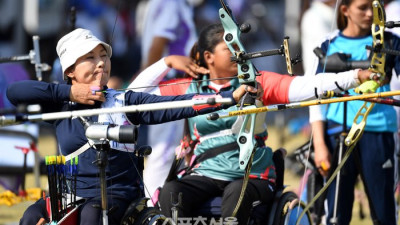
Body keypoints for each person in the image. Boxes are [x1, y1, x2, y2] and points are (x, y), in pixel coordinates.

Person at [129, 23, 376, 225]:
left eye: (240, 46)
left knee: (238, 193)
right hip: (204, 173)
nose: (240, 53)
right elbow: (132, 96)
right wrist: (167, 62)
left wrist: (355, 76)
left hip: (253, 174)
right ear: (208, 57)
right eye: (230, 48)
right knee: (172, 192)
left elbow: (309, 86)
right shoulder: (190, 87)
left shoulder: (259, 82)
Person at [10, 28, 254, 225]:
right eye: (90, 57)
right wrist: (71, 92)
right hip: (70, 195)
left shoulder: (124, 101)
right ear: (70, 70)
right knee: (32, 216)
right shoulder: (61, 105)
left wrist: (229, 98)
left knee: (92, 215)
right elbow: (15, 92)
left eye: (103, 56)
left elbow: (177, 104)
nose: (101, 63)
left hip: (117, 196)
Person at [308, 0, 400, 224]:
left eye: (373, 7)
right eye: (362, 7)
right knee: (336, 216)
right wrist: (319, 144)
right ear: (345, 10)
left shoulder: (390, 41)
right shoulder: (328, 44)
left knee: (384, 214)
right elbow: (315, 96)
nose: (370, 14)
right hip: (338, 134)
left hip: (379, 133)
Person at [133, 0, 199, 203]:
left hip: (171, 84)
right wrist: (145, 80)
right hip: (172, 85)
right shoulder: (170, 2)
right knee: (164, 152)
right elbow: (158, 42)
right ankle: (153, 205)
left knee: (172, 150)